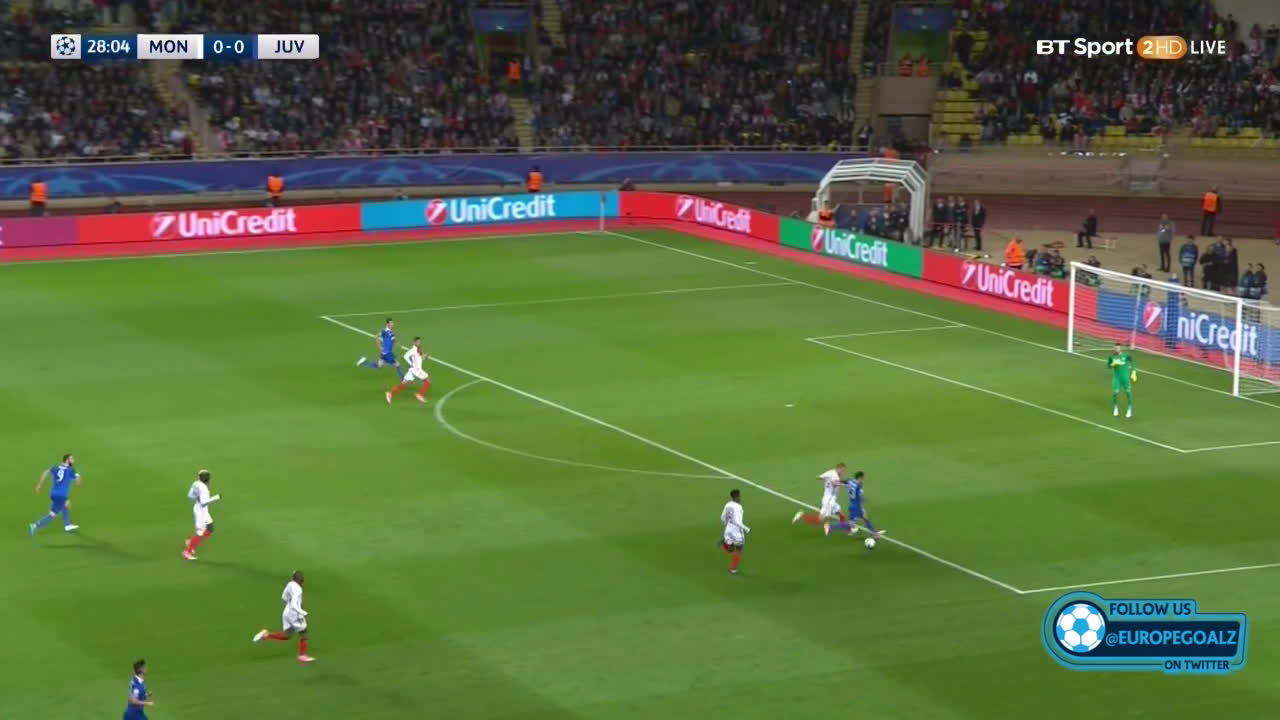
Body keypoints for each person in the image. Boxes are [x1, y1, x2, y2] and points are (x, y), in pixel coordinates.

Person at [252, 570, 316, 662]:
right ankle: (302, 655)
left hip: (287, 612)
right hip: (294, 614)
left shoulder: (290, 584)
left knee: (286, 635)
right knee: (304, 633)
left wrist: (290, 607)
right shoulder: (298, 590)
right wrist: (301, 611)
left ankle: (266, 635)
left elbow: (284, 597)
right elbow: (294, 604)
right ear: (301, 581)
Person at [30, 454, 81, 535]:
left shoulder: (56, 468)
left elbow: (45, 473)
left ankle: (35, 525)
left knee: (56, 511)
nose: (73, 460)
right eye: (72, 459)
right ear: (67, 460)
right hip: (61, 495)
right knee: (63, 506)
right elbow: (77, 484)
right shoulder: (71, 470)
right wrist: (78, 476)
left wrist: (39, 485)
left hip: (53, 493)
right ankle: (67, 525)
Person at [791, 463, 848, 533]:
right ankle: (801, 516)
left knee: (841, 515)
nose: (843, 472)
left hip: (830, 498)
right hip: (829, 500)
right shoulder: (835, 475)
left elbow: (818, 477)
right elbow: (835, 483)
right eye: (842, 470)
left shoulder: (830, 472)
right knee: (819, 519)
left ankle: (847, 530)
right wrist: (845, 485)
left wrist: (827, 479)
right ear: (838, 468)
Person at [827, 471, 882, 541]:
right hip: (855, 507)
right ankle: (831, 526)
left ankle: (874, 533)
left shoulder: (851, 482)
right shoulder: (858, 485)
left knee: (865, 518)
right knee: (851, 524)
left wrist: (838, 482)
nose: (863, 480)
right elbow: (858, 494)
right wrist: (864, 499)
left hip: (856, 505)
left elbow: (846, 481)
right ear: (859, 478)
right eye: (862, 478)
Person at [182, 470, 221, 560]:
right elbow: (204, 503)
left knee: (210, 528)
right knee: (200, 532)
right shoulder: (204, 489)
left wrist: (197, 498)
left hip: (201, 509)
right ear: (208, 479)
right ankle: (187, 552)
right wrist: (216, 498)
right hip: (201, 512)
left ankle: (191, 542)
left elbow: (189, 496)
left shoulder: (195, 483)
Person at [386, 336, 431, 403]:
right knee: (428, 381)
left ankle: (390, 393)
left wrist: (425, 356)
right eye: (417, 342)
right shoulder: (413, 349)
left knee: (404, 384)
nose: (419, 343)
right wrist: (411, 363)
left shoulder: (418, 349)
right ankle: (420, 394)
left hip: (412, 370)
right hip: (416, 369)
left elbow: (419, 357)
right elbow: (405, 356)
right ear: (414, 342)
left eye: (419, 342)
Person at [719, 489, 750, 574]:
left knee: (732, 548)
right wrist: (746, 528)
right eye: (739, 496)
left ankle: (725, 543)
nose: (740, 498)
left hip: (728, 529)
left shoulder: (727, 504)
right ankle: (732, 568)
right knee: (739, 548)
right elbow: (737, 521)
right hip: (737, 531)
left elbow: (722, 518)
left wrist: (727, 526)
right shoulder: (738, 507)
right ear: (736, 497)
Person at [1106, 343, 1136, 418]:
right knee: (1115, 393)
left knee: (1128, 393)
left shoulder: (1126, 355)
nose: (1117, 349)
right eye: (1115, 348)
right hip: (1117, 378)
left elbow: (1132, 361)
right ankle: (1115, 408)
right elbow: (1108, 366)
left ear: (1120, 348)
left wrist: (1133, 371)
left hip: (1125, 378)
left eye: (1118, 348)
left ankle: (1129, 409)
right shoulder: (1111, 356)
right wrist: (1112, 364)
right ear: (1114, 348)